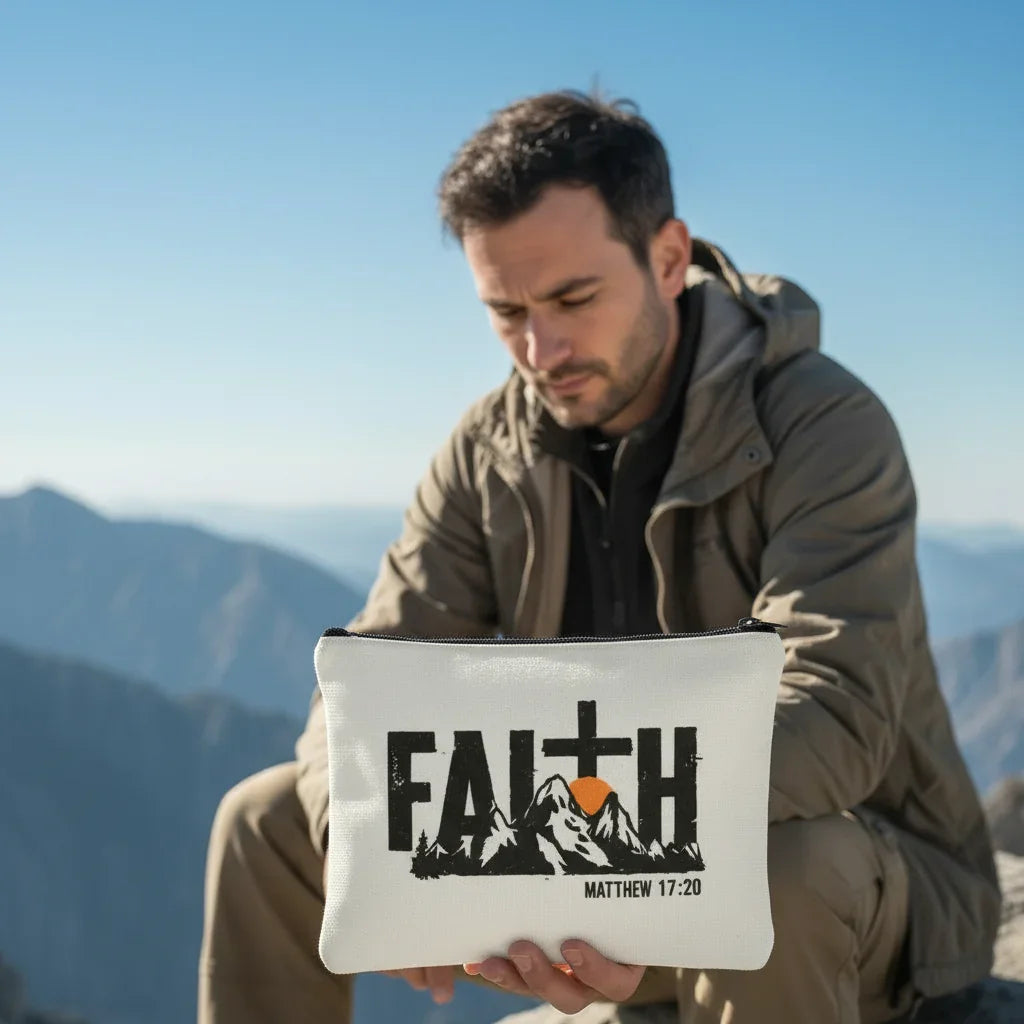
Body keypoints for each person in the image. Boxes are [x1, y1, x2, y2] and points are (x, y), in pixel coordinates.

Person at [197, 90, 1001, 1024]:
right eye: (506, 311)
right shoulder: (487, 450)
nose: (540, 348)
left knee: (787, 867)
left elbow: (836, 710)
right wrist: (374, 856)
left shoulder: (823, 425)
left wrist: (565, 831)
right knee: (266, 825)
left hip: (857, 886)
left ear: (667, 258)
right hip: (591, 850)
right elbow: (366, 685)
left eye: (574, 299)